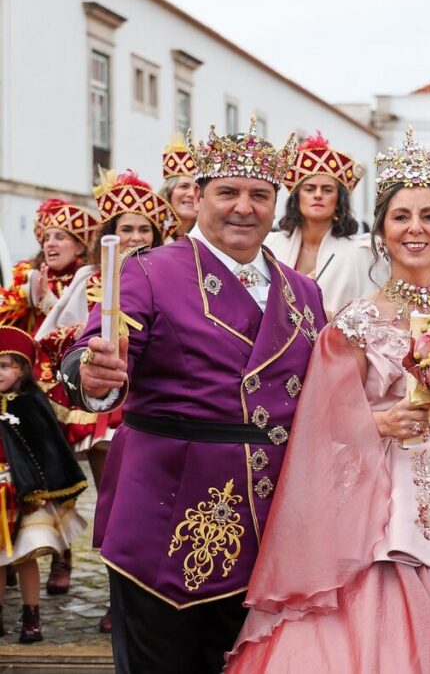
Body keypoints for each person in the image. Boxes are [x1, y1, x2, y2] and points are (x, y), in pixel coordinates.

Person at [225, 127, 430, 673]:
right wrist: (379, 421)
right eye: (401, 217)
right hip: (380, 493)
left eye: (429, 216)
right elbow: (320, 422)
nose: (416, 228)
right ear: (381, 234)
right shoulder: (355, 321)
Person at [58, 119, 325, 674]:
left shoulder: (305, 292)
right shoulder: (148, 272)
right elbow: (96, 351)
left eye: (260, 195)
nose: (243, 208)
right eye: (227, 192)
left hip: (275, 521)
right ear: (196, 197)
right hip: (170, 512)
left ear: (276, 204)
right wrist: (95, 375)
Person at [36, 168, 178, 631]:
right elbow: (53, 336)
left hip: (159, 407)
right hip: (105, 411)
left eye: (144, 229)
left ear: (157, 235)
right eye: (126, 228)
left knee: (159, 504)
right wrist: (84, 344)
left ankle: (157, 591)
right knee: (116, 505)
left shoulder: (174, 276)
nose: (135, 237)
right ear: (110, 235)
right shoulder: (90, 278)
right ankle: (117, 598)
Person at [0, 325, 87, 642]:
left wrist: (41, 490)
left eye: (4, 366)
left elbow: (48, 451)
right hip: (0, 496)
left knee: (25, 557)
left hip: (29, 495)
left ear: (23, 369)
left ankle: (31, 616)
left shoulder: (31, 403)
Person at [265, 131, 381, 317]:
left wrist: (330, 319)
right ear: (297, 198)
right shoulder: (270, 245)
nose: (318, 195)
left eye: (327, 190)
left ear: (339, 201)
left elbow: (372, 313)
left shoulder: (359, 252)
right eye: (309, 189)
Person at [0, 200, 99, 335]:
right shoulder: (30, 277)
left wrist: (47, 299)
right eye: (46, 238)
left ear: (79, 248)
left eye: (60, 237)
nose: (50, 243)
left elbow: (81, 328)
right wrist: (22, 298)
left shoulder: (89, 281)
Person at [158, 132, 198, 238]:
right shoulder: (151, 235)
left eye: (197, 189)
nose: (192, 194)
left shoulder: (212, 238)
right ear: (168, 193)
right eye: (184, 186)